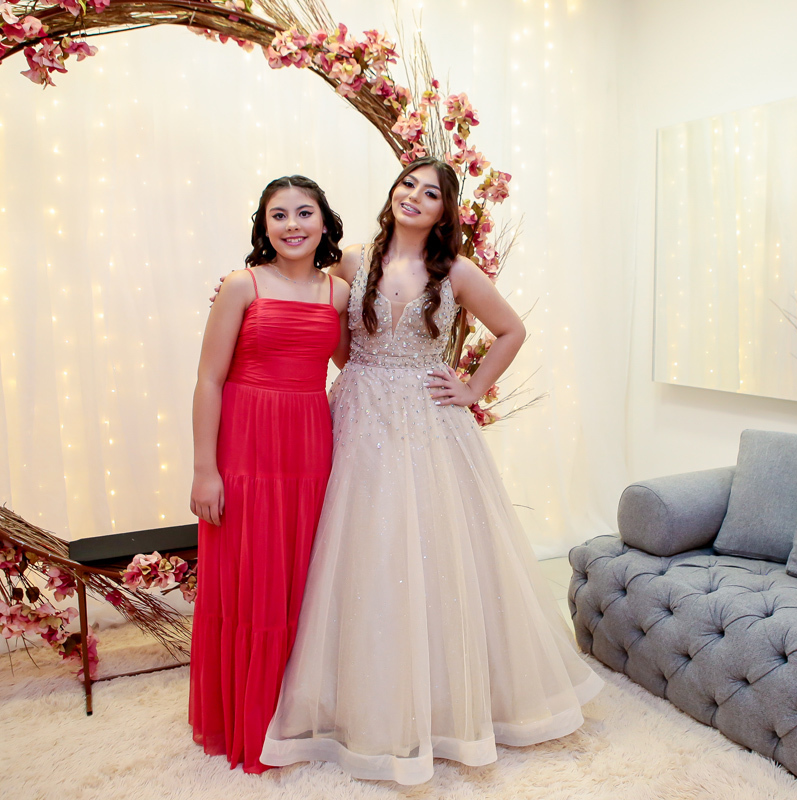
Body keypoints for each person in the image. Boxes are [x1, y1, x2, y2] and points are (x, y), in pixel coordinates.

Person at [258, 157, 604, 784]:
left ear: (446, 211)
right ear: (392, 192)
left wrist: (471, 388)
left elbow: (512, 330)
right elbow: (319, 321)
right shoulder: (351, 261)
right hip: (359, 414)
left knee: (434, 553)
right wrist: (249, 301)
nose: (414, 196)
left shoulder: (458, 272)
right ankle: (355, 701)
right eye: (407, 184)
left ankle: (444, 703)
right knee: (360, 551)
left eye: (431, 192)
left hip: (427, 422)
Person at [189, 176, 351, 773]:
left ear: (324, 222)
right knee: (248, 578)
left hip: (309, 445)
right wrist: (205, 469)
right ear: (263, 226)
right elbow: (209, 379)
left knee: (301, 577)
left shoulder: (338, 294)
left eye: (304, 213)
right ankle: (246, 719)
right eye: (278, 215)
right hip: (246, 446)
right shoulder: (242, 285)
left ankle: (298, 718)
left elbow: (357, 365)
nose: (291, 225)